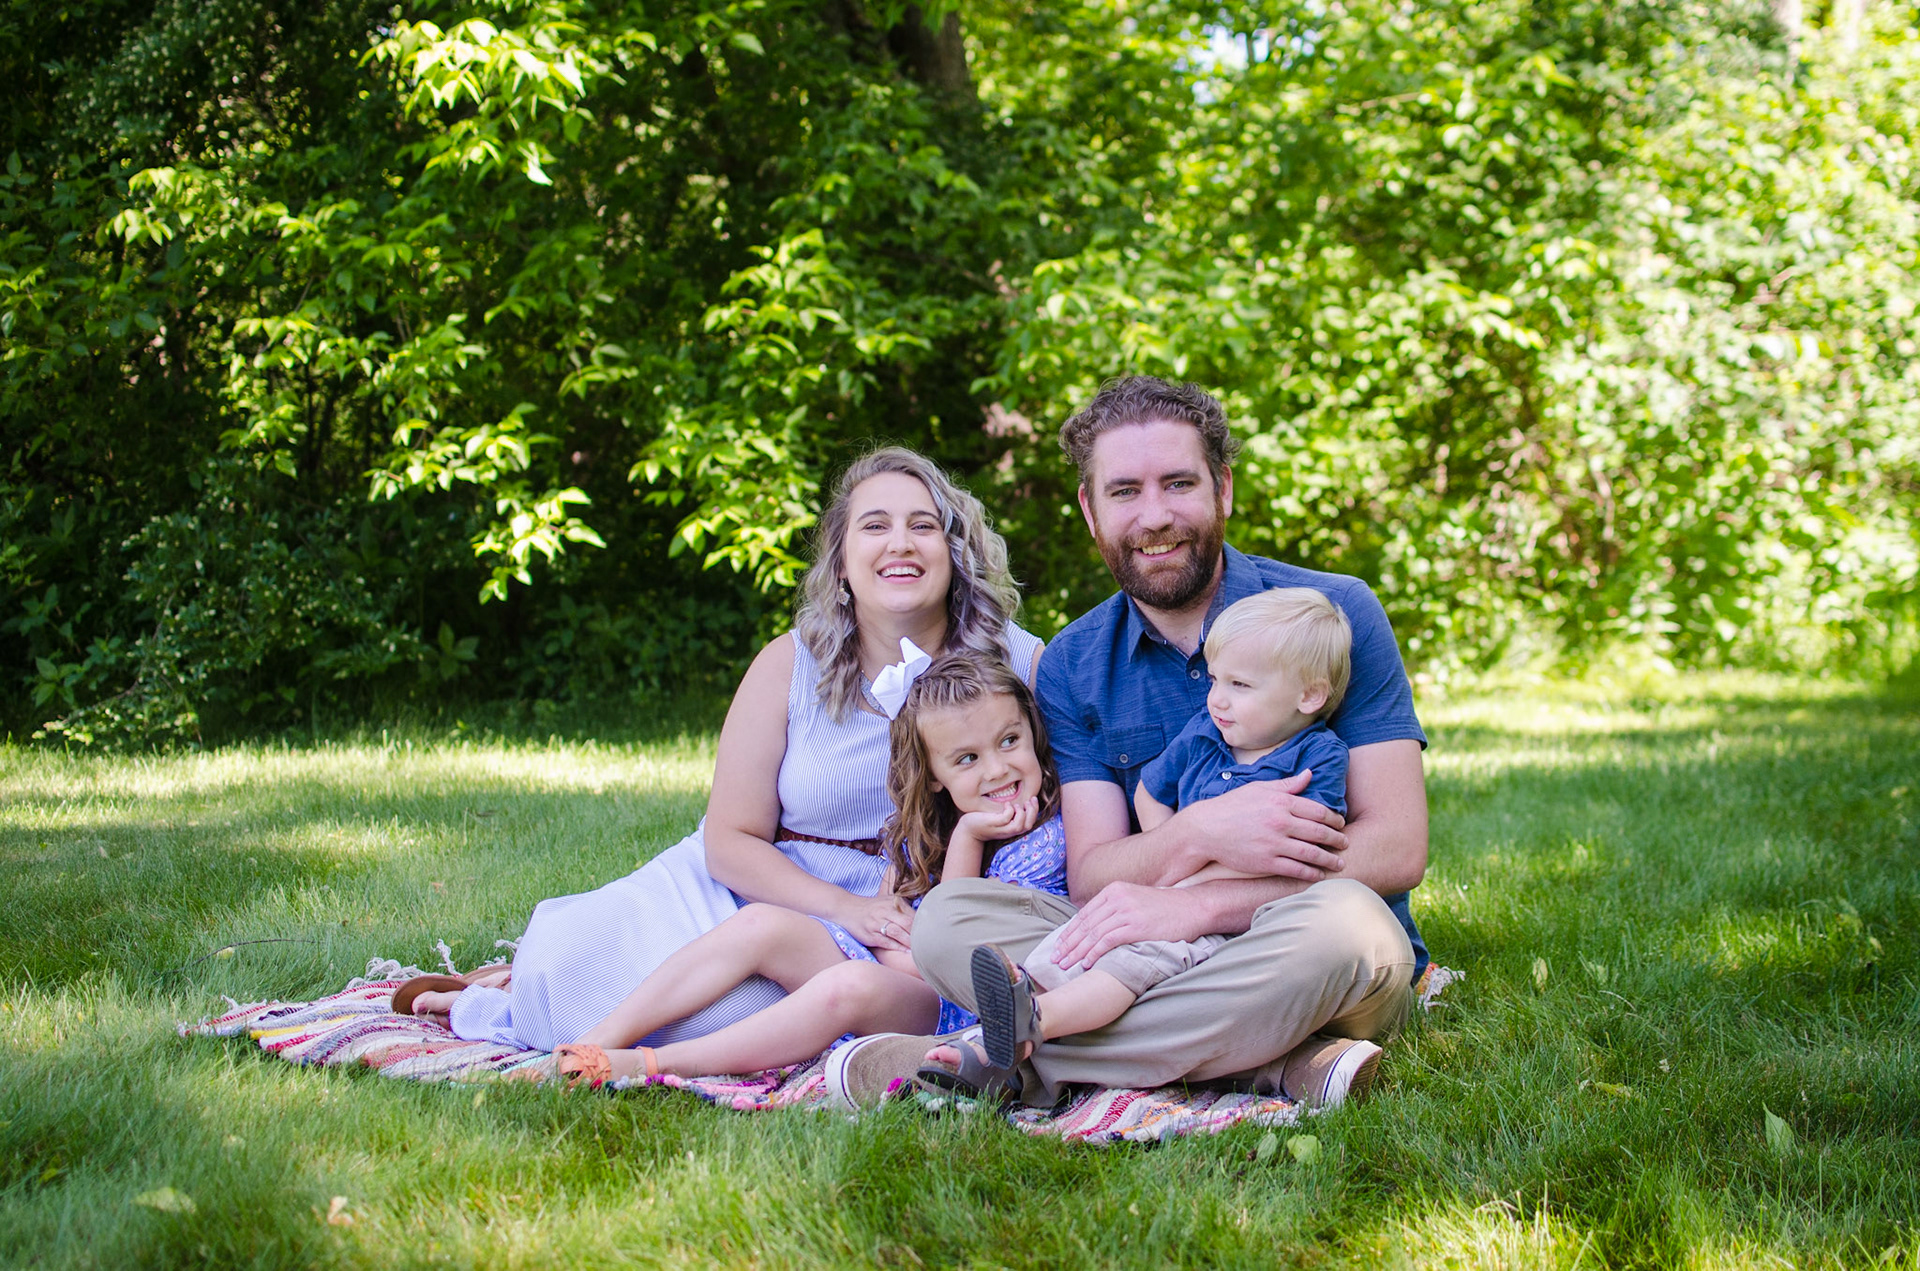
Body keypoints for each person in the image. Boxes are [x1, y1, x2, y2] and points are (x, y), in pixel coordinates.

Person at [829, 376, 1428, 1111]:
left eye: (1178, 483)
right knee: (948, 924)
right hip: (1148, 945)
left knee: (1346, 928)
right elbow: (1094, 875)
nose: (1155, 516)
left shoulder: (1334, 615)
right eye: (1124, 492)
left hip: (1298, 945)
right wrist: (1200, 832)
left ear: (1223, 489)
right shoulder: (1073, 664)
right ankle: (1277, 1061)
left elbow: (1396, 849)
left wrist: (1200, 908)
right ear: (1091, 510)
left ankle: (1000, 1059)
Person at [394, 448, 1046, 1056]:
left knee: (723, 1015)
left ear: (954, 551)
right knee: (570, 978)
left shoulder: (1019, 663)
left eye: (923, 525)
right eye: (875, 526)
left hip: (909, 920)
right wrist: (849, 909)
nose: (900, 542)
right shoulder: (789, 663)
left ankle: (553, 1010)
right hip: (753, 888)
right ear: (842, 563)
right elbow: (729, 841)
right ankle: (513, 984)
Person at [521, 651, 1070, 1086]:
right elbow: (892, 923)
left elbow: (957, 952)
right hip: (901, 972)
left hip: (964, 1011)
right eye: (967, 758)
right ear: (932, 776)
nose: (998, 769)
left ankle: (652, 1064)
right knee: (762, 924)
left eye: (1009, 741)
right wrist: (892, 939)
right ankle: (596, 1040)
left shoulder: (1043, 842)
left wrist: (971, 837)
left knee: (847, 985)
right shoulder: (921, 832)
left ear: (1033, 734)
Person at [962, 586, 1352, 1079]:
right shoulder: (1205, 732)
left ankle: (1034, 1027)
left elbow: (1304, 855)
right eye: (1215, 678)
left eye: (1240, 685)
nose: (1217, 698)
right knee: (1077, 936)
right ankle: (1019, 1004)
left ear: (1310, 695)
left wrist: (1188, 894)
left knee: (1133, 959)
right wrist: (1176, 853)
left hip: (1239, 924)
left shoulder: (1317, 758)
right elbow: (1150, 793)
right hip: (1160, 897)